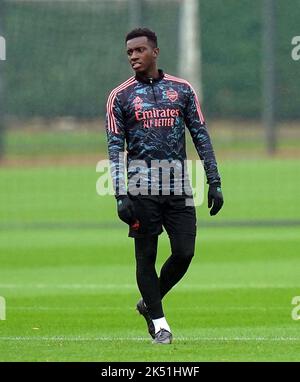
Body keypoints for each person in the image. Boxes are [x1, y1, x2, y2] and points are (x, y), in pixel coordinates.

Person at [106, 28, 223, 344]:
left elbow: (200, 135)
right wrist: (120, 194)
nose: (134, 56)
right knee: (145, 256)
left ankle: (149, 302)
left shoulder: (182, 90)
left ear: (154, 52)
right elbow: (115, 147)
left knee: (184, 252)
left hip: (179, 187)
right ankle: (160, 325)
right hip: (141, 189)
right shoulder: (120, 96)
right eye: (129, 52)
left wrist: (214, 181)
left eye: (139, 50)